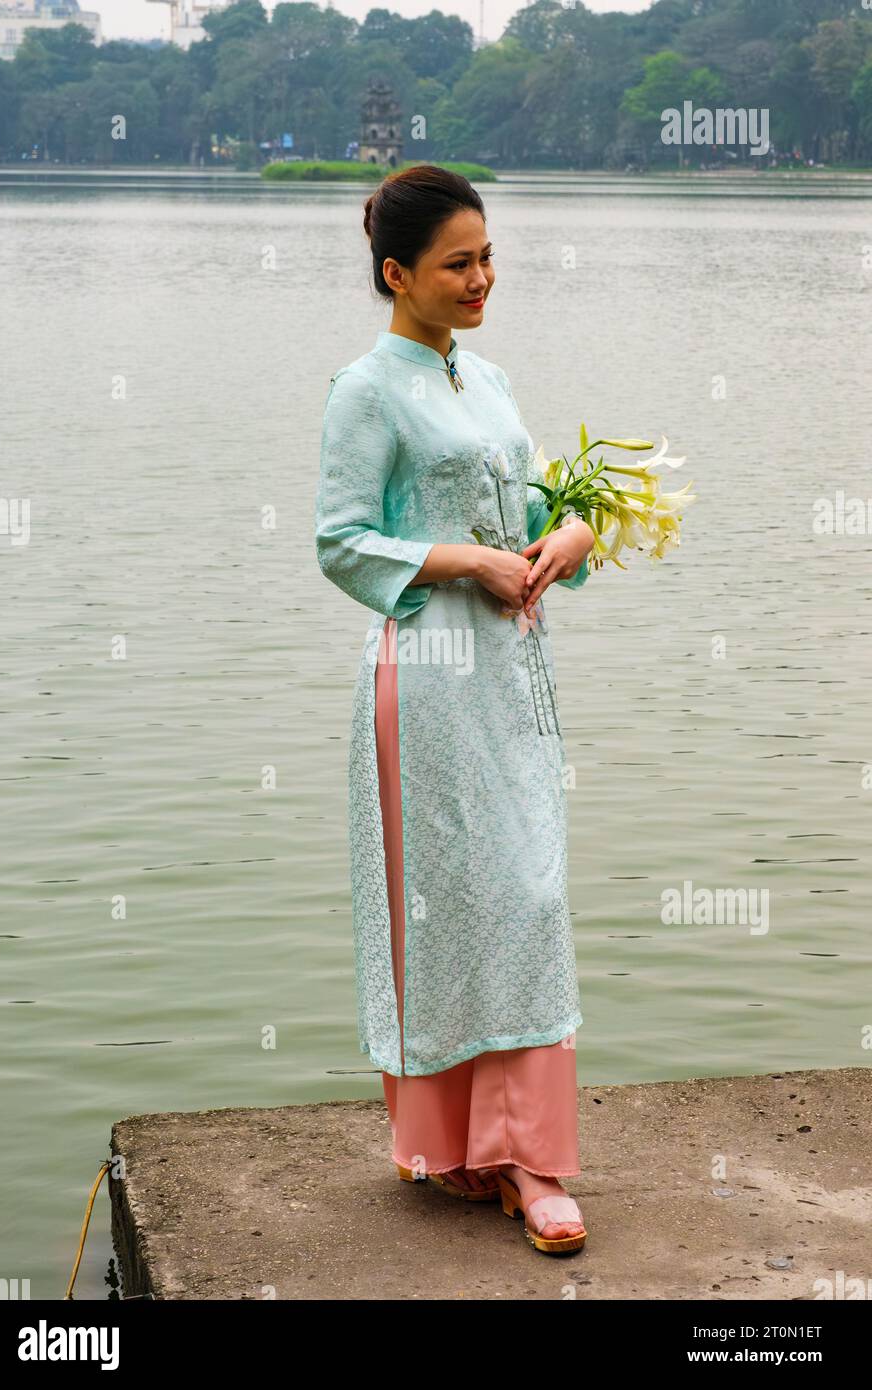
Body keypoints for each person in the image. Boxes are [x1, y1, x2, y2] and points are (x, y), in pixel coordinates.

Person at [315, 164, 595, 1255]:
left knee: (527, 891)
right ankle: (491, 1155)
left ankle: (520, 1151)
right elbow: (340, 541)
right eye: (457, 263)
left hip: (513, 675)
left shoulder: (490, 379)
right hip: (424, 680)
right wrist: (461, 561)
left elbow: (524, 510)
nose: (482, 278)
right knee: (459, 903)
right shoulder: (365, 390)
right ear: (396, 273)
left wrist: (566, 538)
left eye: (487, 258)